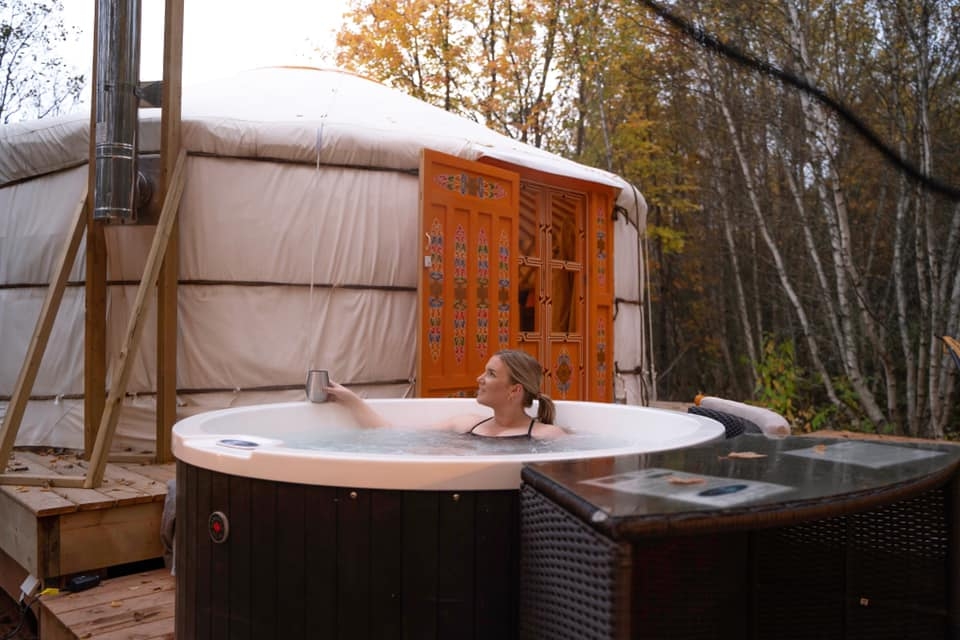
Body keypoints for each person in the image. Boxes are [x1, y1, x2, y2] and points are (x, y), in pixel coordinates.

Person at [324, 349, 566, 439]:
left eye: (491, 374)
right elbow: (392, 435)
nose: (479, 379)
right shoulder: (465, 424)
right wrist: (352, 401)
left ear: (515, 390)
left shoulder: (547, 436)